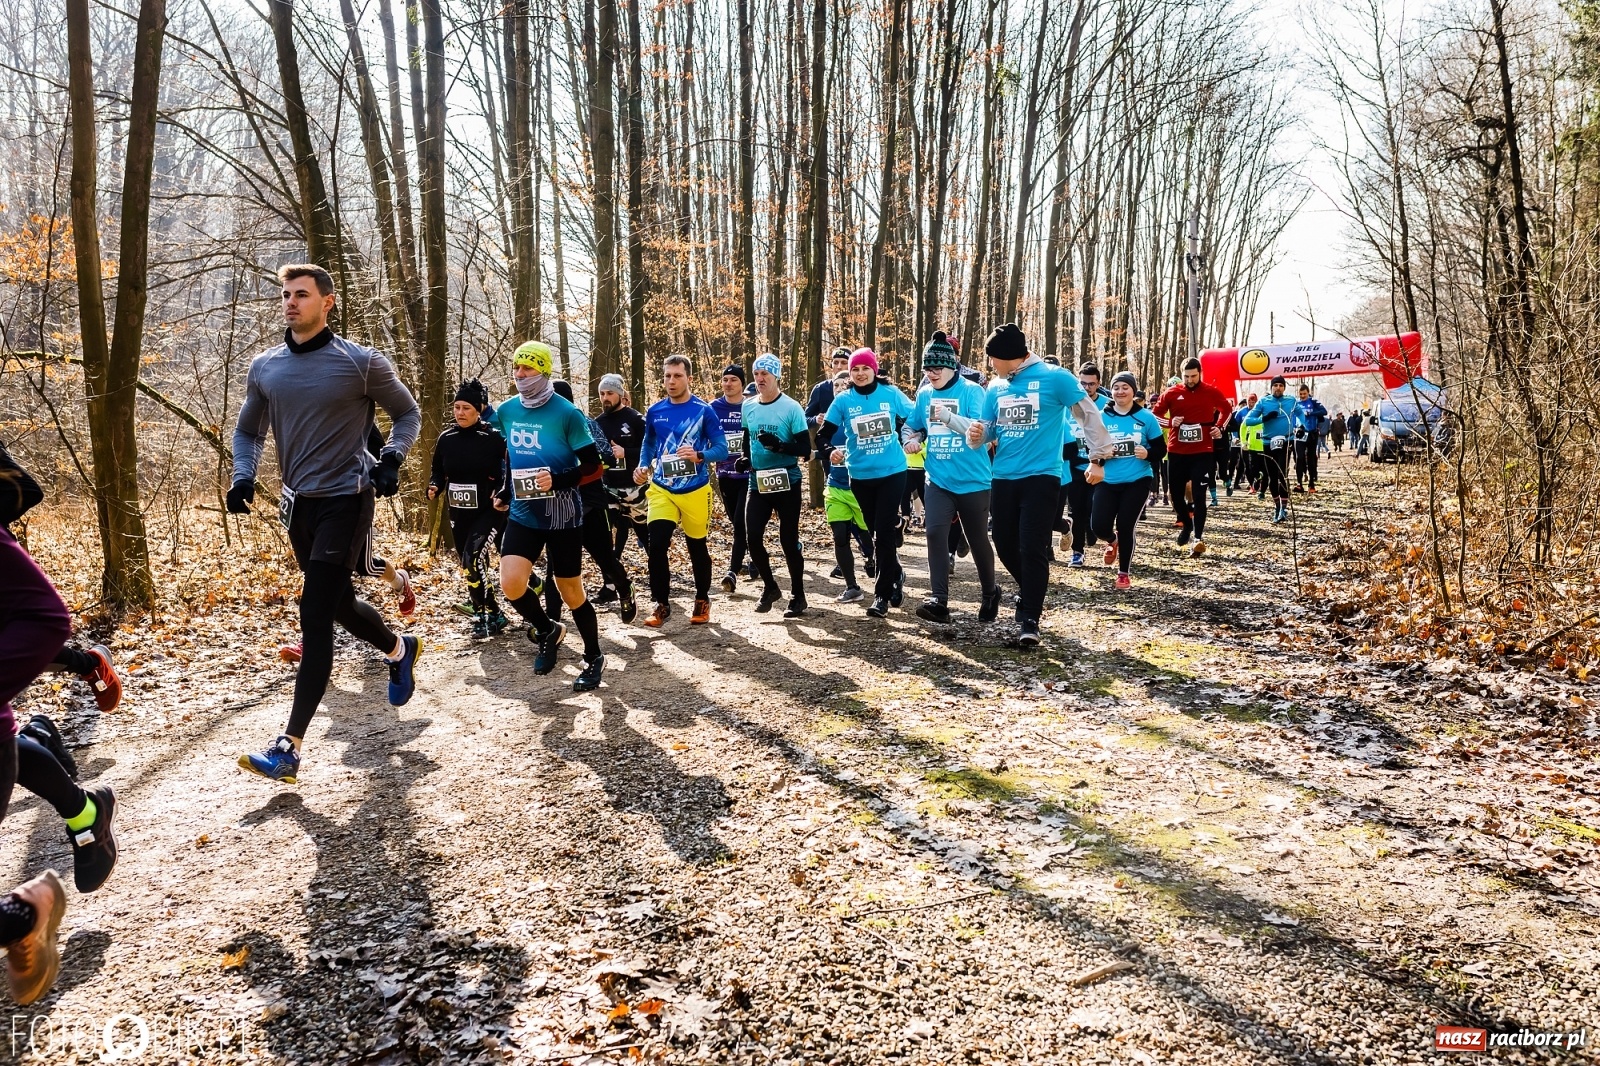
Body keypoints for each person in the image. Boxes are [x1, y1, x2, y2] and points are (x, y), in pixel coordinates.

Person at [230, 264, 422, 784]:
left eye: (302, 295)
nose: (291, 303)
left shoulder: (361, 363)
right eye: (286, 294)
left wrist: (392, 459)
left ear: (327, 302)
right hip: (299, 504)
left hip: (348, 499)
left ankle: (288, 748)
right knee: (335, 604)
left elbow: (408, 414)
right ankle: (399, 648)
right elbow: (247, 432)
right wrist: (244, 476)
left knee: (313, 611)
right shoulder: (265, 367)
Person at [966, 324, 1112, 646]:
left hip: (1042, 476)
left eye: (993, 358)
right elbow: (990, 428)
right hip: (1002, 476)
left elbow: (1088, 414)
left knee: (1032, 545)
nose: (990, 364)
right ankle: (1030, 589)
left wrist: (1099, 458)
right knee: (1004, 542)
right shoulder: (996, 386)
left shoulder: (1055, 377)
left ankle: (1030, 616)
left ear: (1009, 356)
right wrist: (979, 434)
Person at [490, 342, 608, 693]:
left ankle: (593, 656)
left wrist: (558, 480)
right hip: (525, 512)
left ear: (544, 372)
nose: (520, 375)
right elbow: (510, 456)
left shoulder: (567, 413)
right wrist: (506, 492)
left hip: (562, 513)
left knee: (570, 590)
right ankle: (548, 630)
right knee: (511, 583)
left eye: (528, 369)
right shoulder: (507, 411)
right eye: (516, 368)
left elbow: (593, 466)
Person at [901, 331, 1000, 624]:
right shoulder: (924, 394)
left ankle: (990, 592)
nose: (930, 374)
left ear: (952, 366)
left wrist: (948, 418)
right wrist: (910, 438)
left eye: (936, 368)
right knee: (934, 535)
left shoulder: (972, 391)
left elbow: (980, 431)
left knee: (977, 539)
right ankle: (938, 600)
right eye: (926, 369)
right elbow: (912, 425)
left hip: (973, 480)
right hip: (938, 480)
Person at [633, 354, 730, 627]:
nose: (672, 381)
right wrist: (642, 466)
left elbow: (721, 449)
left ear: (689, 378)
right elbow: (648, 444)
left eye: (677, 375)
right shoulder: (655, 411)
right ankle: (661, 604)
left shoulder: (703, 410)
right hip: (662, 487)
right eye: (667, 376)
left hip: (695, 489)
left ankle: (701, 598)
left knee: (696, 546)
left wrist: (699, 454)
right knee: (657, 545)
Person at [817, 349, 915, 617]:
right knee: (874, 531)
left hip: (893, 471)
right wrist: (829, 451)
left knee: (882, 532)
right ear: (850, 373)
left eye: (865, 368)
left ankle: (880, 596)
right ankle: (896, 572)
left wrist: (913, 436)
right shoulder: (843, 400)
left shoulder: (891, 394)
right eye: (855, 370)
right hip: (860, 476)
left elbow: (915, 416)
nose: (860, 374)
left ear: (874, 369)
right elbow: (822, 436)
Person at [541, 381, 638, 628]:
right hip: (558, 504)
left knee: (604, 558)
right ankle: (552, 625)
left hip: (590, 503)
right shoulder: (541, 428)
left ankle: (625, 589)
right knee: (555, 566)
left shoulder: (585, 423)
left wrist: (578, 467)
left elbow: (605, 458)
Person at [428, 379, 511, 638]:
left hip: (489, 513)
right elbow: (438, 471)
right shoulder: (447, 438)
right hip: (459, 513)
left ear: (479, 410)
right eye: (457, 408)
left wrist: (502, 489)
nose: (460, 413)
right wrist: (434, 486)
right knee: (472, 566)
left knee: (472, 561)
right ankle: (495, 613)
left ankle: (480, 616)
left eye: (466, 408)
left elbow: (509, 467)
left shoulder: (493, 438)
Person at [737, 354, 813, 617]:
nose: (759, 379)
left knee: (788, 541)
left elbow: (805, 448)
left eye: (764, 375)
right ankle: (770, 587)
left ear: (776, 377)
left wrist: (780, 445)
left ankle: (798, 595)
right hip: (757, 481)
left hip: (787, 480)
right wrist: (745, 459)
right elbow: (747, 439)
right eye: (756, 374)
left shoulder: (791, 408)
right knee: (753, 538)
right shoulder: (748, 406)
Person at [1093, 372, 1167, 589]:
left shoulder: (1146, 417)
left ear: (1133, 391)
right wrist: (1103, 454)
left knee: (1126, 525)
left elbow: (1161, 449)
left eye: (1125, 387)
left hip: (1137, 479)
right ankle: (1112, 541)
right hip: (1108, 479)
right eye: (1116, 387)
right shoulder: (1102, 416)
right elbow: (1091, 448)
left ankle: (1123, 572)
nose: (1120, 391)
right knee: (1098, 526)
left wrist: (1148, 453)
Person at [1151, 357, 1232, 557]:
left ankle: (1198, 538)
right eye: (1186, 376)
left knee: (1199, 495)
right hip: (1177, 452)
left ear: (1200, 373)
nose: (1190, 380)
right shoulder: (1171, 393)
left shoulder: (1211, 392)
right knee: (1175, 496)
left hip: (1202, 452)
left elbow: (1227, 409)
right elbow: (1154, 415)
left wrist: (1219, 428)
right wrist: (1171, 423)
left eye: (1193, 376)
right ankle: (1187, 524)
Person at [821, 372, 876, 602]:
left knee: (867, 535)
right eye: (836, 386)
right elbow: (820, 443)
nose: (840, 390)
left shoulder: (861, 417)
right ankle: (852, 586)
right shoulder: (831, 423)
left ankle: (873, 559)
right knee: (840, 536)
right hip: (835, 488)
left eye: (844, 386)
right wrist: (827, 451)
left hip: (861, 487)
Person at [594, 373, 649, 579]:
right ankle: (610, 583)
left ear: (619, 394)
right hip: (609, 488)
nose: (605, 397)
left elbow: (650, 450)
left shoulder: (635, 419)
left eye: (609, 393)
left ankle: (658, 579)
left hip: (635, 487)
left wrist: (626, 452)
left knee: (645, 536)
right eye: (601, 393)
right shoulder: (597, 423)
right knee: (605, 538)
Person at [1059, 363, 1108, 565]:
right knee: (1077, 511)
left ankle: (1091, 529)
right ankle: (1077, 552)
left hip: (1101, 467)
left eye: (1091, 384)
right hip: (1075, 467)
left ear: (1098, 384)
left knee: (1093, 510)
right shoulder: (1066, 405)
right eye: (1083, 383)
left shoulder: (1107, 405)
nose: (1087, 388)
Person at [709, 365, 751, 593]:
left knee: (740, 524)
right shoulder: (713, 408)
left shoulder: (751, 406)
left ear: (742, 383)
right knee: (738, 523)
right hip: (724, 475)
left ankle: (732, 571)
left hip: (748, 474)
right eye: (725, 379)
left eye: (733, 379)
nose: (728, 383)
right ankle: (754, 556)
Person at [1244, 375, 1297, 523]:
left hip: (1286, 440)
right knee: (1272, 477)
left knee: (1282, 474)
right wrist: (1264, 418)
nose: (1278, 388)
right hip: (1268, 443)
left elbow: (1300, 414)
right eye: (1275, 385)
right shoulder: (1263, 402)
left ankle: (1284, 509)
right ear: (1271, 387)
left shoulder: (1291, 401)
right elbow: (1248, 420)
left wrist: (1302, 425)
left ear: (1284, 388)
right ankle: (1277, 506)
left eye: (1281, 385)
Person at [806, 347, 853, 482]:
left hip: (856, 446)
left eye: (844, 362)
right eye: (836, 362)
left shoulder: (859, 388)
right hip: (829, 448)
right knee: (833, 481)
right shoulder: (821, 389)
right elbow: (804, 419)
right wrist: (816, 419)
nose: (839, 366)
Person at [1292, 383, 1329, 492]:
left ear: (1308, 393)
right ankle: (1299, 484)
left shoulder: (1313, 402)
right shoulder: (1295, 403)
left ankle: (1311, 485)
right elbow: (1291, 417)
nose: (1302, 396)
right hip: (1299, 434)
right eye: (1300, 394)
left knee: (1312, 459)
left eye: (1304, 394)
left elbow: (1324, 411)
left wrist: (1311, 413)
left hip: (1312, 433)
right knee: (1299, 458)